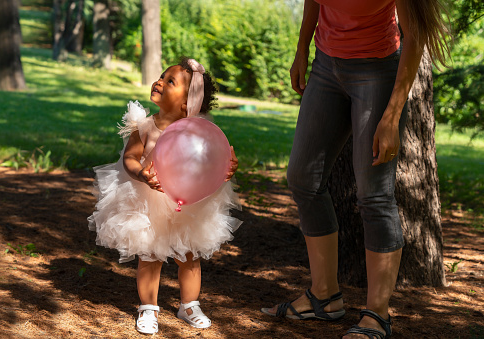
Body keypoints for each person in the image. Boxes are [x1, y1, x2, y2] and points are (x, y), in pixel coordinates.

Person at [261, 0, 450, 338]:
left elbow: (415, 36)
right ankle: (324, 297)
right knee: (304, 178)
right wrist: (302, 48)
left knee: (374, 195)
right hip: (326, 66)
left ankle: (377, 315)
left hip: (377, 71)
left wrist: (391, 116)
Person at [88, 58, 242, 335]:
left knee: (190, 254)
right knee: (150, 254)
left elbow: (213, 161)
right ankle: (148, 307)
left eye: (170, 81)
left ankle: (189, 304)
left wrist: (227, 168)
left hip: (192, 202)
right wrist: (140, 174)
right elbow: (131, 158)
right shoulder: (145, 126)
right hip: (150, 199)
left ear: (187, 103)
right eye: (161, 76)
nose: (159, 81)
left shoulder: (200, 132)